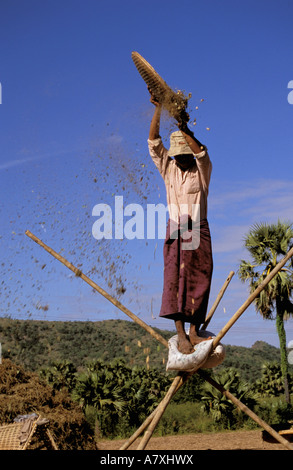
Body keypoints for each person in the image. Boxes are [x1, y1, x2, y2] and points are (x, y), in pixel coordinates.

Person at [148, 90, 213, 354]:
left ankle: (194, 332)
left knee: (200, 279)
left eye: (183, 154)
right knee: (174, 279)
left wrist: (182, 124)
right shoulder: (169, 168)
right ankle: (180, 333)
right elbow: (153, 142)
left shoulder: (202, 169)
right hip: (176, 229)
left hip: (198, 229)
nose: (179, 158)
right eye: (176, 155)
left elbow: (201, 153)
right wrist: (158, 109)